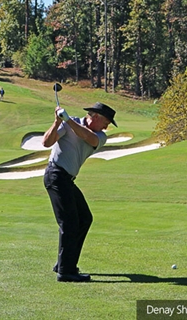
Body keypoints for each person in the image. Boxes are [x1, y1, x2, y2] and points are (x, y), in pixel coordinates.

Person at [42, 102, 117, 282]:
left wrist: (67, 120)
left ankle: (64, 263)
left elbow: (88, 137)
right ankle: (66, 271)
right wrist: (57, 123)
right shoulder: (67, 124)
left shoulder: (100, 136)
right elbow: (46, 143)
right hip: (56, 175)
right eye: (107, 122)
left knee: (84, 218)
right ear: (96, 117)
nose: (107, 127)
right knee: (69, 223)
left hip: (66, 179)